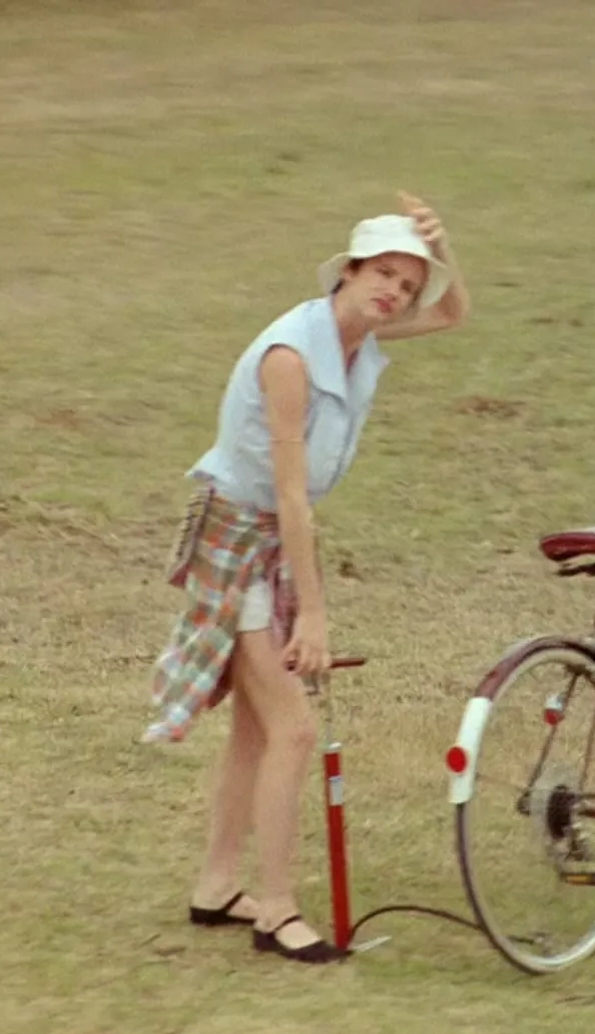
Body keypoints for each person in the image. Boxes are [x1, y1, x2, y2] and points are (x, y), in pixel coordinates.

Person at [145, 193, 471, 963]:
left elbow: (455, 314)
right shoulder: (293, 355)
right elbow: (290, 497)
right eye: (382, 274)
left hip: (269, 539)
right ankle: (277, 910)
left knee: (256, 732)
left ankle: (218, 885)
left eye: (405, 283)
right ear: (349, 271)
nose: (394, 291)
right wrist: (314, 616)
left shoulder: (361, 333)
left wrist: (442, 244)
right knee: (294, 727)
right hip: (238, 539)